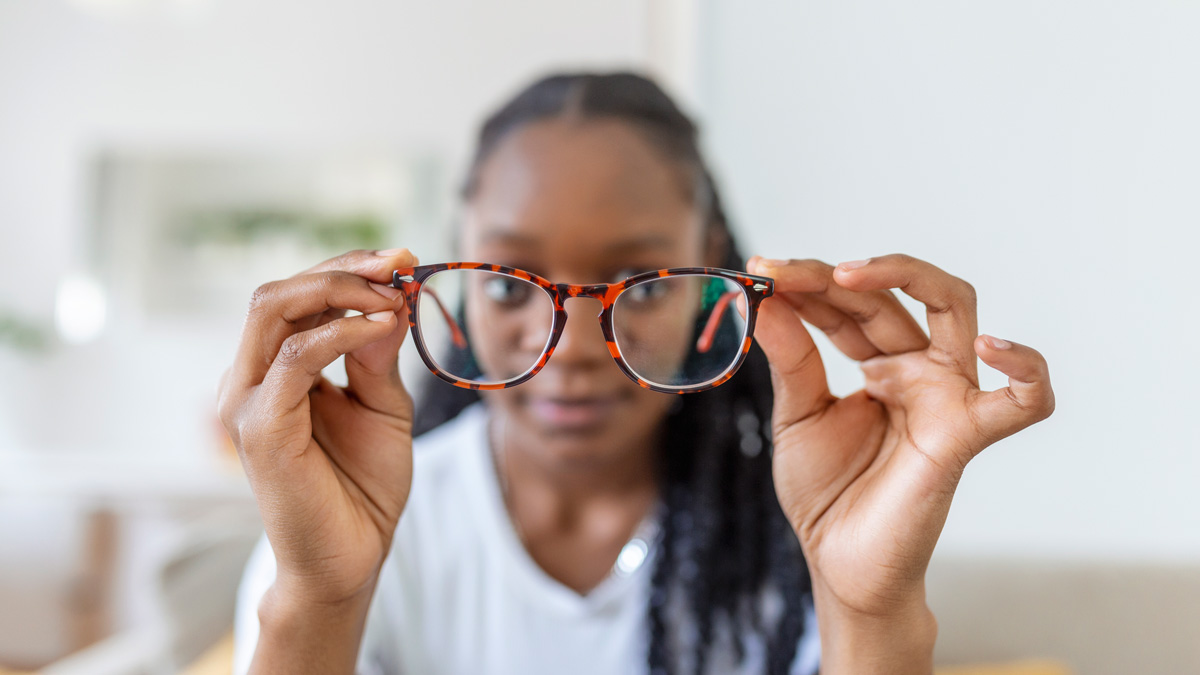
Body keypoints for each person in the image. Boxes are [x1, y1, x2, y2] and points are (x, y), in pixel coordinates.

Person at [222, 72, 1054, 675]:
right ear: (458, 282)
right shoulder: (354, 533)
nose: (575, 348)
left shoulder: (792, 530)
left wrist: (869, 608)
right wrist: (321, 596)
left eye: (644, 285)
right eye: (509, 284)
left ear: (711, 279)